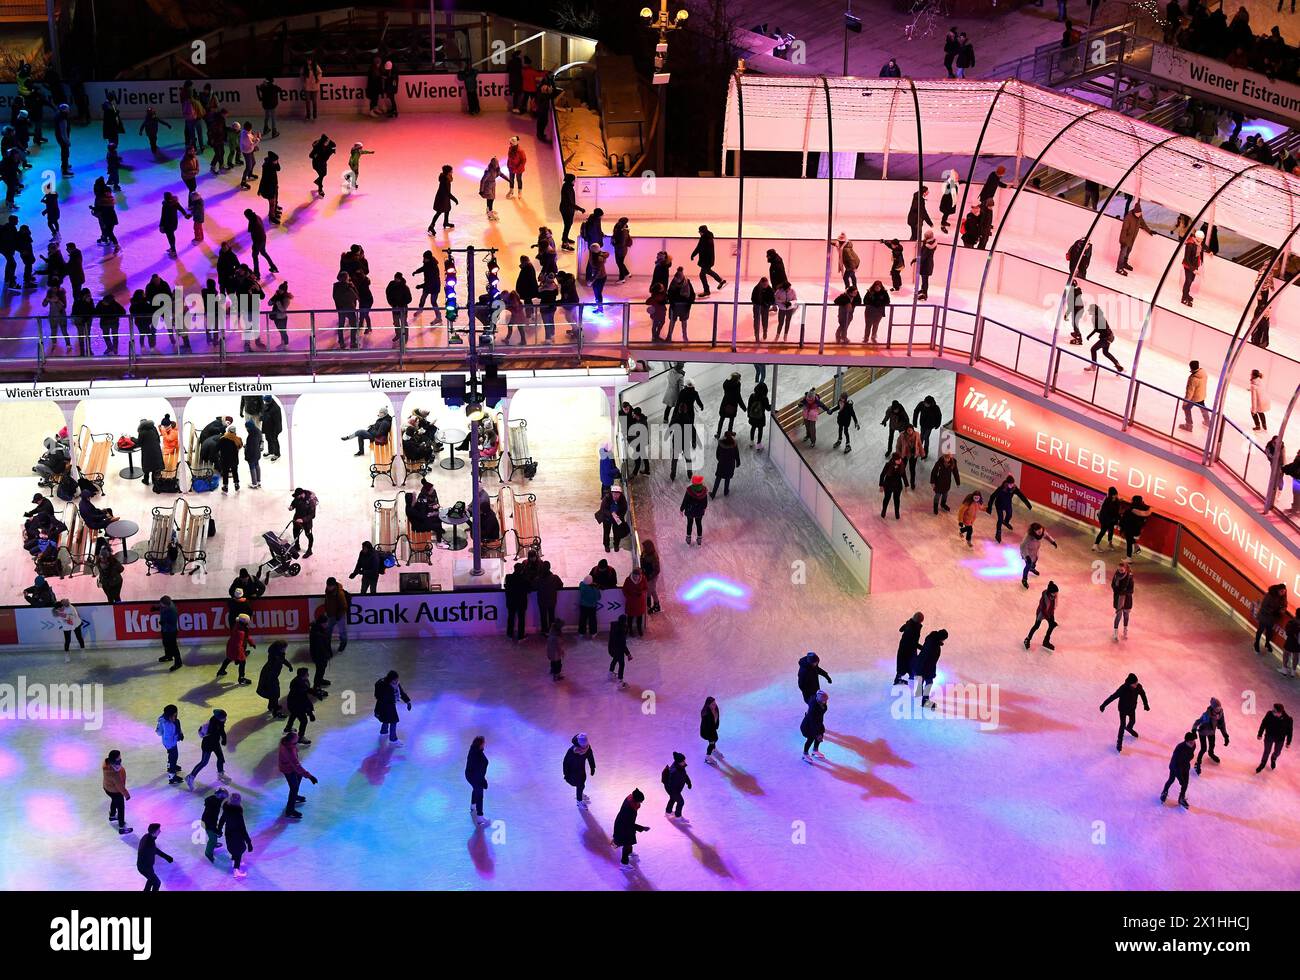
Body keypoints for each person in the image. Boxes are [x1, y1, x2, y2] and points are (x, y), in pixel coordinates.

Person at [1100, 673, 1150, 754]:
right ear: (1130, 684)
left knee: (1133, 721)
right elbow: (1113, 696)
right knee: (1122, 725)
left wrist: (1145, 704)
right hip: (1123, 709)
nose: (1137, 684)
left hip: (1132, 709)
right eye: (1135, 683)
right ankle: (1119, 742)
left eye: (1137, 682)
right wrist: (1103, 705)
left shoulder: (1138, 687)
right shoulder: (1123, 689)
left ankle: (1129, 728)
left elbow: (1143, 694)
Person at [185, 708, 230, 790]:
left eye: (225, 717)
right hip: (208, 745)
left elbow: (222, 731)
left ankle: (220, 774)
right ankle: (190, 777)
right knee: (204, 762)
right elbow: (215, 733)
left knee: (220, 758)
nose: (225, 719)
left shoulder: (219, 722)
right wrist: (222, 739)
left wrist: (224, 739)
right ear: (218, 718)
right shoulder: (212, 725)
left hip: (215, 743)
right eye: (224, 717)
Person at [278, 731, 317, 819]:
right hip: (288, 769)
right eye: (296, 742)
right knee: (294, 787)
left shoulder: (284, 741)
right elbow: (297, 766)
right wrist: (310, 776)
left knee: (299, 777)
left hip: (289, 766)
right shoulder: (289, 751)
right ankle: (290, 811)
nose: (298, 741)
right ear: (292, 742)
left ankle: (295, 797)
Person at [612, 788, 651, 867]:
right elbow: (629, 824)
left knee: (630, 841)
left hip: (624, 825)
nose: (640, 803)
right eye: (640, 801)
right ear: (636, 800)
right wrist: (642, 828)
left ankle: (629, 852)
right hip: (623, 827)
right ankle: (624, 863)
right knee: (627, 843)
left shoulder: (631, 801)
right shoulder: (629, 809)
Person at [218, 792, 253, 877]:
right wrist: (248, 842)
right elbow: (243, 829)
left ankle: (234, 860)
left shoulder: (226, 809)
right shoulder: (238, 813)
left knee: (234, 850)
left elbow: (222, 820)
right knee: (240, 850)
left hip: (229, 833)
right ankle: (236, 870)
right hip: (237, 834)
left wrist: (219, 829)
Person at [987, 475, 1031, 543]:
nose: (1012, 485)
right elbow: (992, 496)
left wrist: (1027, 504)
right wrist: (989, 507)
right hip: (999, 505)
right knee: (1000, 519)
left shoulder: (1014, 488)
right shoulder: (1001, 488)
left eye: (1013, 484)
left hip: (1007, 504)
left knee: (1009, 515)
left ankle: (1006, 522)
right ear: (1007, 483)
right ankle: (998, 534)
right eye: (1010, 484)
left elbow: (1021, 496)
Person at [1191, 698, 1229, 775]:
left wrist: (1225, 735)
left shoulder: (1220, 713)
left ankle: (1211, 753)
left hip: (1211, 732)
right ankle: (1198, 763)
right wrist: (1194, 730)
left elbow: (1222, 724)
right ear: (1213, 708)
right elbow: (1198, 721)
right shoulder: (1206, 715)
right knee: (1203, 748)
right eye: (1217, 708)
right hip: (1203, 732)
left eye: (1219, 707)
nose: (1218, 709)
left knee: (1212, 745)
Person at [373, 670, 411, 745]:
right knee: (394, 720)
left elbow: (402, 693)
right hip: (384, 706)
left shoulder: (395, 684)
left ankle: (383, 732)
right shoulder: (384, 686)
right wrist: (377, 711)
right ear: (390, 679)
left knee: (386, 719)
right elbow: (381, 699)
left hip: (389, 705)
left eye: (397, 679)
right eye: (395, 680)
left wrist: (408, 701)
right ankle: (393, 739)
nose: (397, 681)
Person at [1083, 305, 1124, 373]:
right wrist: (1090, 335)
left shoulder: (1098, 318)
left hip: (1106, 338)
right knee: (1105, 352)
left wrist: (1090, 335)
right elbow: (1099, 329)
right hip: (1109, 337)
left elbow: (1099, 329)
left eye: (1090, 310)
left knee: (1093, 349)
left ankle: (1093, 366)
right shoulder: (1098, 317)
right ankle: (1117, 364)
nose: (1089, 311)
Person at [1160, 732, 1196, 809]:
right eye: (1190, 742)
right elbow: (1176, 765)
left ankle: (1181, 798)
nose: (1192, 743)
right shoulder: (1179, 748)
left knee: (1185, 783)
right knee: (1171, 779)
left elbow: (1190, 754)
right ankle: (1164, 792)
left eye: (1193, 741)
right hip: (1175, 767)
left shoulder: (1193, 745)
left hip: (1185, 766)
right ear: (1186, 741)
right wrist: (1180, 779)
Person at [1115, 203, 1153, 275]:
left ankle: (1124, 264)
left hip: (1132, 239)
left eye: (1140, 213)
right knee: (1123, 254)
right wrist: (1123, 241)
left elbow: (1143, 223)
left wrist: (1149, 231)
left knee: (1128, 252)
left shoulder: (1139, 216)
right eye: (1139, 213)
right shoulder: (1128, 217)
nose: (1140, 214)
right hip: (1125, 239)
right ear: (1135, 212)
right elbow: (1124, 230)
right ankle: (1119, 268)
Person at [256, 641, 290, 720]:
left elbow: (283, 660)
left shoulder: (278, 655)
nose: (285, 649)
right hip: (269, 677)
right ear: (280, 648)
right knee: (274, 694)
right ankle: (275, 712)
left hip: (272, 676)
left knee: (275, 693)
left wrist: (289, 666)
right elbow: (272, 668)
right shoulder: (274, 658)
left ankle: (271, 706)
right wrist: (271, 681)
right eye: (285, 648)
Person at [1019, 522, 1058, 589]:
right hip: (1028, 552)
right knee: (1028, 565)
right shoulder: (1029, 536)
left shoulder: (1042, 532)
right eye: (1039, 532)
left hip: (1035, 551)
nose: (1041, 532)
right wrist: (1026, 556)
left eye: (1041, 530)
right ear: (1034, 531)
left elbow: (1047, 536)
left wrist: (1053, 542)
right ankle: (1024, 579)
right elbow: (1022, 546)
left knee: (1035, 560)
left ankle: (1032, 568)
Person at [690, 225, 726, 295]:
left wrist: (693, 255)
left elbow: (700, 248)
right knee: (708, 271)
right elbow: (699, 248)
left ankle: (706, 291)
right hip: (707, 260)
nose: (699, 233)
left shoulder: (706, 239)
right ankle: (720, 281)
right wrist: (693, 255)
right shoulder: (706, 238)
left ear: (702, 231)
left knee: (702, 275)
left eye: (700, 232)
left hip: (706, 261)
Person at [103, 749, 132, 835]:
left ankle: (112, 816)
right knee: (121, 808)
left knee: (114, 800)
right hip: (116, 791)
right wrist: (127, 795)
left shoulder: (106, 764)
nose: (120, 759)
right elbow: (120, 787)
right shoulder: (115, 774)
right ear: (114, 760)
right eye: (119, 758)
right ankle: (122, 827)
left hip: (107, 788)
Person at [1024, 581, 1060, 650]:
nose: (1056, 594)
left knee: (1051, 626)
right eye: (1055, 592)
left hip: (1049, 612)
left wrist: (1051, 617)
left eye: (1056, 592)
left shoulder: (1053, 596)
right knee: (1036, 626)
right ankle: (1027, 639)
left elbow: (1052, 606)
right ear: (1050, 592)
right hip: (1041, 613)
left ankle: (1046, 641)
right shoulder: (1045, 597)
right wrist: (1049, 619)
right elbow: (1043, 610)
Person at [1257, 704, 1292, 773]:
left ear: (1280, 713)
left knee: (1277, 752)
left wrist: (1288, 742)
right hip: (1269, 736)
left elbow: (1290, 731)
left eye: (1274, 711)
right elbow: (1263, 724)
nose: (1272, 711)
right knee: (1267, 751)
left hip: (1280, 739)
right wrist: (1260, 734)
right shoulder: (1269, 714)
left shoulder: (1288, 719)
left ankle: (1273, 758)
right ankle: (1263, 763)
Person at [137, 824, 173, 891]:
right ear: (154, 832)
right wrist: (167, 857)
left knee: (151, 880)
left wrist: (166, 857)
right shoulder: (149, 842)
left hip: (146, 866)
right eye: (158, 830)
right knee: (157, 883)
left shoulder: (147, 836)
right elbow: (155, 850)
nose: (160, 831)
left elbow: (154, 850)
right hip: (145, 868)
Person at [563, 733, 596, 807]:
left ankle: (580, 795)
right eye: (583, 745)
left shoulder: (587, 748)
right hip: (573, 771)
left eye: (585, 744)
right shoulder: (572, 751)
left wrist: (592, 767)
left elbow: (590, 757)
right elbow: (565, 762)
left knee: (582, 784)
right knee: (580, 785)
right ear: (579, 744)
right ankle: (579, 801)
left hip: (581, 769)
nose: (585, 747)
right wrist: (566, 773)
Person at [155, 704, 185, 784]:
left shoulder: (164, 720)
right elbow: (169, 737)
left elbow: (159, 732)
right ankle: (172, 776)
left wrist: (179, 734)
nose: (176, 717)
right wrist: (177, 736)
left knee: (172, 755)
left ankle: (170, 766)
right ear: (169, 716)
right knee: (174, 757)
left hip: (168, 743)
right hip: (170, 743)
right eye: (174, 715)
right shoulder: (168, 725)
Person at [1178, 360, 1211, 432]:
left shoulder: (1193, 379)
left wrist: (1185, 402)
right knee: (1203, 407)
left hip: (1194, 398)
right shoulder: (1203, 373)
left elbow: (1189, 393)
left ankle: (1189, 425)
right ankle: (1208, 422)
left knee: (1186, 408)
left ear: (1191, 367)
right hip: (1201, 395)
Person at [1255, 583, 1288, 654]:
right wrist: (1273, 611)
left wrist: (1282, 610)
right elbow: (1264, 606)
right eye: (1282, 592)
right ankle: (1256, 643)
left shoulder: (1283, 597)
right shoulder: (1269, 595)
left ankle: (1267, 643)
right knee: (1260, 630)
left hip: (1272, 619)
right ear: (1278, 590)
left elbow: (1284, 605)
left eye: (1284, 592)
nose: (1283, 593)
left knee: (1269, 632)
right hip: (1264, 616)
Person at [894, 612, 924, 686]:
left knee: (903, 665)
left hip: (904, 648)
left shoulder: (909, 624)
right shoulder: (914, 628)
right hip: (909, 650)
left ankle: (898, 679)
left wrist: (905, 626)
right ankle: (910, 683)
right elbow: (913, 642)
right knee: (911, 666)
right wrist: (924, 649)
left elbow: (900, 629)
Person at [465, 735, 490, 826]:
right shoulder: (477, 756)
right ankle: (480, 817)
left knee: (476, 789)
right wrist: (483, 781)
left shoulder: (475, 750)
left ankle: (473, 806)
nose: (485, 744)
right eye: (483, 743)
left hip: (470, 775)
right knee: (479, 793)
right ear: (480, 744)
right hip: (475, 777)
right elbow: (478, 772)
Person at [929, 449, 961, 514]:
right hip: (939, 483)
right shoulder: (939, 463)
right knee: (937, 496)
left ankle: (943, 504)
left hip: (947, 483)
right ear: (943, 457)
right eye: (945, 458)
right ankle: (935, 507)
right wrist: (932, 482)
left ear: (950, 457)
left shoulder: (953, 463)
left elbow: (956, 473)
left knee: (945, 495)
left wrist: (958, 482)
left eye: (948, 458)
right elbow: (933, 472)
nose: (947, 459)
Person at [681, 473, 709, 546]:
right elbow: (705, 502)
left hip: (690, 511)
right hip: (699, 511)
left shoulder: (689, 490)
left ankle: (688, 539)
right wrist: (704, 508)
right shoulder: (704, 490)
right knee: (699, 524)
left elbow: (685, 501)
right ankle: (699, 539)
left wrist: (681, 509)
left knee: (689, 524)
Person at [661, 752, 692, 819]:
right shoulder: (674, 771)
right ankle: (678, 816)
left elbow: (684, 775)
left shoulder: (681, 767)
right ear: (678, 762)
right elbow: (670, 784)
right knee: (681, 802)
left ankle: (668, 811)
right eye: (683, 761)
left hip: (676, 789)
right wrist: (676, 793)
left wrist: (688, 782)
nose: (684, 762)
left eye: (684, 760)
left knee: (673, 799)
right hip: (672, 789)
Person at [1120, 494, 1151, 558]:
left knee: (1129, 542)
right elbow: (1147, 512)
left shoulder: (1130, 510)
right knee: (1130, 538)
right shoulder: (1145, 509)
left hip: (1130, 529)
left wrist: (1122, 529)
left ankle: (1129, 558)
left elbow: (1123, 520)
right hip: (1138, 529)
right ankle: (1136, 547)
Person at [801, 690, 829, 761]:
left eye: (826, 700)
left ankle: (815, 750)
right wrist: (817, 734)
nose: (825, 702)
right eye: (824, 700)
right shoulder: (813, 709)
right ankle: (805, 754)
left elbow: (823, 710)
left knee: (821, 734)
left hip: (818, 722)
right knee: (811, 738)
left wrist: (819, 733)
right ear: (819, 700)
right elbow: (813, 722)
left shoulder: (820, 702)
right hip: (808, 726)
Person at [1111, 559, 1135, 641]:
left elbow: (1131, 590)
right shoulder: (1116, 575)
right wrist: (1117, 591)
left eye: (1121, 570)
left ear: (1125, 569)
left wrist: (1124, 592)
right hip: (1118, 599)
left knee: (1126, 615)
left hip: (1127, 599)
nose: (1120, 571)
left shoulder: (1130, 577)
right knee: (1118, 616)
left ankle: (1125, 630)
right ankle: (1115, 632)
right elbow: (1113, 585)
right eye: (1118, 569)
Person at [1092, 486, 1122, 551]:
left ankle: (1109, 544)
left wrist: (1119, 501)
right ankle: (1095, 545)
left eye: (1116, 494)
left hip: (1110, 519)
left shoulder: (1115, 500)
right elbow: (1111, 511)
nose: (1116, 496)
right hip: (1105, 519)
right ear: (1112, 495)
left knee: (1111, 531)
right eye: (1114, 495)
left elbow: (1115, 511)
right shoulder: (1108, 501)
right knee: (1103, 531)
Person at [712, 432, 740, 498]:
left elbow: (717, 454)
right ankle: (726, 491)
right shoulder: (734, 444)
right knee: (727, 478)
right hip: (730, 465)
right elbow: (737, 454)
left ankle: (713, 493)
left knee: (718, 478)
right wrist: (738, 462)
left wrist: (720, 460)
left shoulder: (721, 444)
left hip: (722, 464)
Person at [1181, 229, 1204, 307]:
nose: (1202, 240)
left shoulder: (1198, 243)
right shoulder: (1190, 244)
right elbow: (1186, 259)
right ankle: (1184, 298)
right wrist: (1193, 269)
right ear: (1197, 237)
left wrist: (1210, 251)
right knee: (1188, 281)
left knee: (1191, 281)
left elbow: (1204, 247)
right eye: (1201, 238)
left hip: (1194, 266)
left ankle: (1187, 294)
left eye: (1202, 239)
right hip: (1188, 266)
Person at [607, 614, 631, 688]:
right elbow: (622, 644)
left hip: (611, 648)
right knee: (622, 664)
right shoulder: (621, 631)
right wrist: (628, 654)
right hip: (618, 650)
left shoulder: (614, 625)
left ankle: (610, 672)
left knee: (615, 659)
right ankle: (620, 682)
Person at [623, 568, 648, 636]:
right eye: (634, 575)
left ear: (640, 575)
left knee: (639, 617)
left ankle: (639, 629)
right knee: (630, 617)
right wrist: (629, 597)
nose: (635, 577)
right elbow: (624, 590)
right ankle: (630, 629)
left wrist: (641, 592)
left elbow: (646, 588)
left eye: (637, 576)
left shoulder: (643, 579)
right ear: (632, 574)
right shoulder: (628, 580)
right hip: (631, 602)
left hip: (640, 602)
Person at [746, 381, 771, 450]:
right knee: (760, 430)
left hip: (752, 416)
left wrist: (748, 415)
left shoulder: (752, 396)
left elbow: (749, 406)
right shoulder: (764, 398)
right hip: (760, 417)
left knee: (753, 428)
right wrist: (772, 405)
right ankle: (758, 444)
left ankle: (751, 442)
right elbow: (768, 408)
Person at [700, 697, 722, 764]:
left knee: (715, 739)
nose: (714, 705)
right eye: (712, 704)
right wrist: (710, 735)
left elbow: (717, 718)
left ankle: (714, 749)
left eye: (714, 703)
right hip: (707, 732)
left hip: (713, 729)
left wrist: (716, 726)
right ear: (708, 705)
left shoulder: (716, 708)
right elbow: (705, 726)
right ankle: (707, 757)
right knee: (712, 743)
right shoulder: (705, 714)